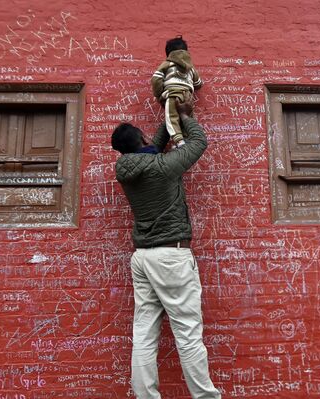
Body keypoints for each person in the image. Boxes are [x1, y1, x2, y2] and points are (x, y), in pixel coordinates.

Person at [111, 99, 221, 399]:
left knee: (144, 334)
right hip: (171, 257)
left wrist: (168, 111)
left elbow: (155, 147)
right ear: (142, 142)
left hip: (142, 257)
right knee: (187, 333)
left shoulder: (128, 168)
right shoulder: (162, 167)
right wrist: (185, 116)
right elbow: (198, 143)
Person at [151, 36, 203, 148]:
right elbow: (198, 83)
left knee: (171, 118)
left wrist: (159, 94)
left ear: (168, 54)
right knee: (188, 119)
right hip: (188, 97)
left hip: (172, 95)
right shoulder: (191, 68)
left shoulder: (167, 64)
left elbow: (156, 78)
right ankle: (186, 140)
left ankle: (179, 142)